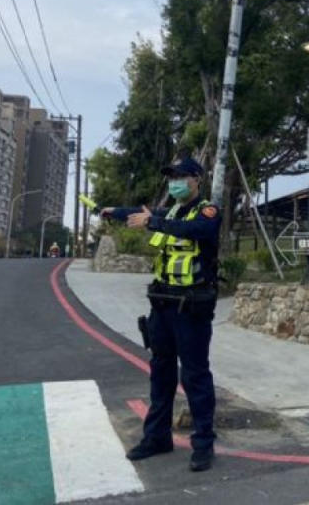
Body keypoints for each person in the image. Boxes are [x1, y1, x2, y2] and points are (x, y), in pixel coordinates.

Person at [100, 155, 221, 472]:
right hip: (163, 305)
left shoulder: (208, 211)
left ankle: (204, 444)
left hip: (191, 306)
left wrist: (152, 221)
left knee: (194, 376)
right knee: (161, 374)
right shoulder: (172, 211)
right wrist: (114, 212)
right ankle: (157, 438)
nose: (175, 182)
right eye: (171, 177)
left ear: (196, 179)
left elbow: (195, 229)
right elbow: (143, 215)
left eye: (181, 176)